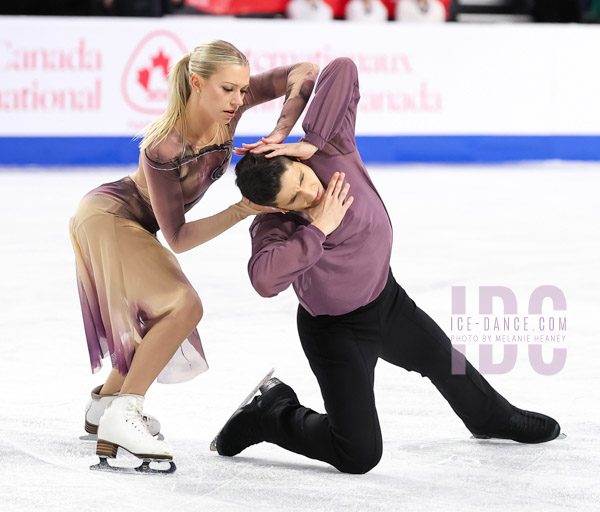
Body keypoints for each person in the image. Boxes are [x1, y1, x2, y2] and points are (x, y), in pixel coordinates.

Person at [214, 57, 561, 474]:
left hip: (387, 300)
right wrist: (316, 230)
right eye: (297, 199)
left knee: (444, 360)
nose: (312, 193)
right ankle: (271, 411)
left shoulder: (331, 149)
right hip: (335, 331)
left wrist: (309, 137)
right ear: (275, 206)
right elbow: (264, 281)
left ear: (295, 160)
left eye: (304, 179)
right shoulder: (274, 225)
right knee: (358, 454)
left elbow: (342, 69)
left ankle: (493, 417)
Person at [69, 40, 318, 464]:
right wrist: (243, 208)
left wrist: (279, 131)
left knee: (162, 318)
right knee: (181, 306)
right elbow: (179, 237)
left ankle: (104, 407)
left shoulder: (231, 108)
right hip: (109, 216)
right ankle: (124, 411)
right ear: (196, 83)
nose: (239, 100)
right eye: (229, 90)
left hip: (133, 224)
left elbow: (306, 70)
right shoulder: (165, 147)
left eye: (243, 90)